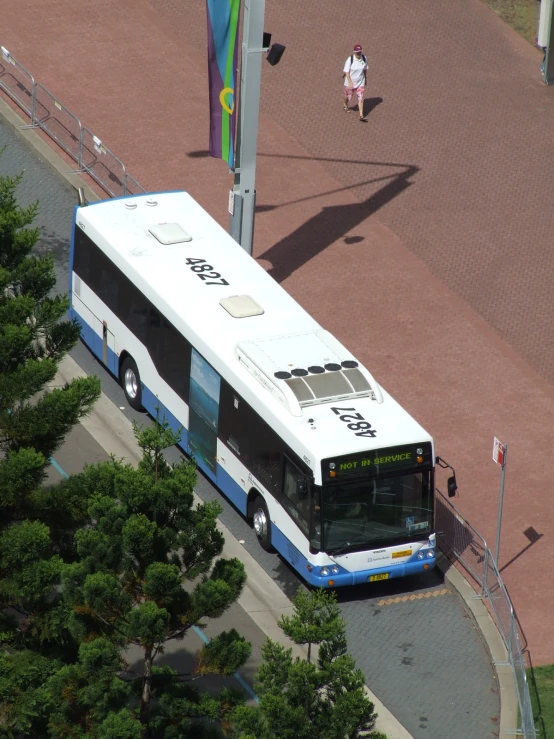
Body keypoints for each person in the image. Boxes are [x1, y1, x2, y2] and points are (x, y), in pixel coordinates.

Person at [343, 44, 368, 121]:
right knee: (348, 97)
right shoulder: (350, 59)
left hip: (360, 82)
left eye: (360, 52)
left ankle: (361, 115)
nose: (359, 54)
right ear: (354, 52)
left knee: (360, 98)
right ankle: (345, 104)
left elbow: (365, 69)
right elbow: (346, 71)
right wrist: (350, 82)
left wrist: (365, 78)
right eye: (357, 52)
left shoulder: (364, 58)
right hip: (350, 83)